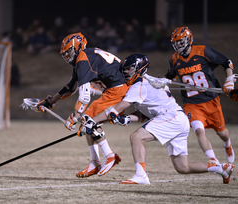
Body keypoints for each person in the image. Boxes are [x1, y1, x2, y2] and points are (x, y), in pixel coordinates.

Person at [88, 54, 235, 184]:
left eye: (129, 68)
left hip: (172, 117)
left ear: (140, 68)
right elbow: (144, 114)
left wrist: (92, 121)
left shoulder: (139, 85)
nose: (125, 72)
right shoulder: (146, 83)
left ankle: (141, 175)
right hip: (177, 119)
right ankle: (222, 168)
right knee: (182, 167)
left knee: (136, 137)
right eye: (125, 69)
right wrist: (127, 119)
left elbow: (116, 109)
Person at [36, 32, 129, 177]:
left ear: (78, 47)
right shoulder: (83, 58)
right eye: (65, 53)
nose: (67, 56)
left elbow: (84, 95)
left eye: (69, 51)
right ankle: (95, 162)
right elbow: (71, 87)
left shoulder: (83, 60)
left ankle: (109, 156)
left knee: (87, 119)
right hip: (113, 89)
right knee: (88, 121)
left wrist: (75, 116)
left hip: (117, 90)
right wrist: (50, 101)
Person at [165, 26, 235, 165]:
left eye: (181, 41)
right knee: (199, 132)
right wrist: (164, 84)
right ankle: (214, 161)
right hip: (191, 103)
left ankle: (227, 144)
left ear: (188, 39)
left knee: (222, 133)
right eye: (176, 42)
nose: (178, 45)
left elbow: (227, 62)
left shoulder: (202, 51)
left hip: (211, 100)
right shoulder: (174, 59)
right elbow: (170, 76)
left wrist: (229, 80)